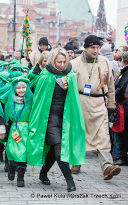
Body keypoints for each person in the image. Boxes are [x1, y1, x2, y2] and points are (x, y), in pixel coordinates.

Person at [27, 48, 85, 192]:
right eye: (59, 62)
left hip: (66, 118)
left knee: (54, 150)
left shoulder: (71, 75)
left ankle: (43, 172)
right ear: (53, 60)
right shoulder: (45, 75)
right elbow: (38, 100)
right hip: (49, 119)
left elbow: (75, 100)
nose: (61, 64)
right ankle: (70, 181)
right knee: (59, 149)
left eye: (64, 62)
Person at [70, 35, 121, 180]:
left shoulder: (105, 62)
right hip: (80, 101)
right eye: (93, 47)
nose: (96, 50)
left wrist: (110, 104)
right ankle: (76, 161)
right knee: (79, 133)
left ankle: (107, 166)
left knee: (103, 134)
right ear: (85, 48)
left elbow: (110, 85)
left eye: (98, 47)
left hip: (99, 102)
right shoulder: (74, 64)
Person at [2, 77, 33, 187]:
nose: (21, 90)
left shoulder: (30, 101)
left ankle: (21, 177)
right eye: (18, 88)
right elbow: (7, 115)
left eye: (24, 87)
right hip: (14, 129)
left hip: (26, 130)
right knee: (11, 150)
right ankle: (11, 167)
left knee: (23, 153)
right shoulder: (11, 101)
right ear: (14, 89)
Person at [114, 51, 128, 165]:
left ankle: (123, 157)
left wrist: (115, 95)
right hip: (124, 104)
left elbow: (121, 89)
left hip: (125, 105)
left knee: (123, 133)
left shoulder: (125, 73)